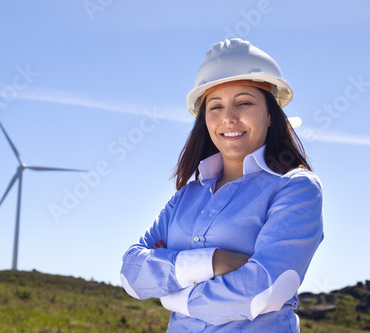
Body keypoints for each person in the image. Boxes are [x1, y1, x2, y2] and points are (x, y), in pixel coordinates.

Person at [120, 38, 323, 332]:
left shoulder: (295, 189)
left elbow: (263, 292)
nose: (228, 118)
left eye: (244, 103)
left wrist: (173, 297)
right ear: (205, 120)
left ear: (270, 116)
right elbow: (131, 272)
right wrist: (212, 261)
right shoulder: (185, 197)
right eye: (215, 107)